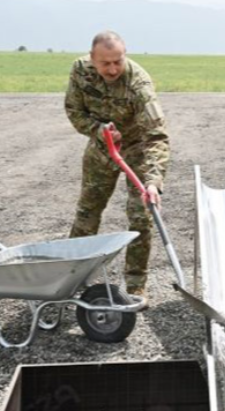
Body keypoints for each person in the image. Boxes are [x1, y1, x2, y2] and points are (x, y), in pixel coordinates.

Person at [65, 31, 170, 301]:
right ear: (92, 60)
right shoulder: (80, 71)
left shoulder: (138, 83)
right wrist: (99, 130)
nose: (112, 69)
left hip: (136, 150)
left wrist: (152, 181)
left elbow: (157, 137)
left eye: (118, 61)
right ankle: (70, 277)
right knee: (87, 213)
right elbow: (74, 112)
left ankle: (135, 286)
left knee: (141, 217)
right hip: (102, 149)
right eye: (105, 63)